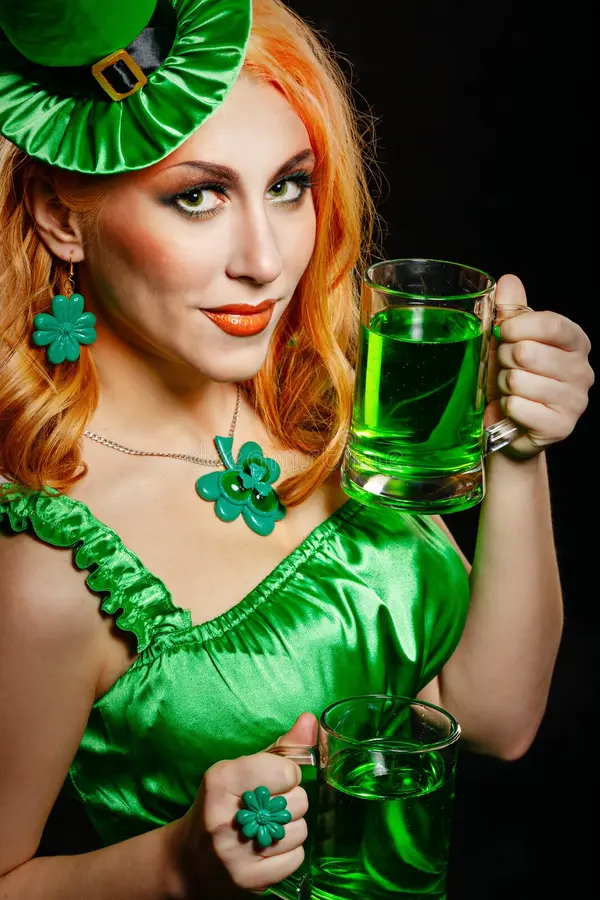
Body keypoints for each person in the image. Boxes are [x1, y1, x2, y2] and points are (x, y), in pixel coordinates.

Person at [0, 0, 594, 896]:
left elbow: (493, 716)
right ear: (60, 217)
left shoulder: (327, 405)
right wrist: (174, 866)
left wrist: (517, 440)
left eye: (287, 186)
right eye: (197, 196)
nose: (266, 260)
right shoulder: (48, 570)